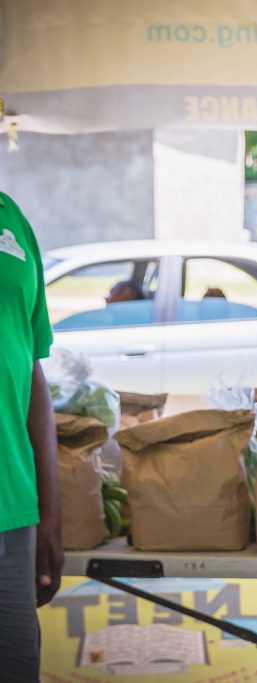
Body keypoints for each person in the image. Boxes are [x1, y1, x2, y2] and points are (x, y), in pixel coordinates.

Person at [0, 192, 62, 681]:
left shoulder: (11, 217)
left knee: (19, 667)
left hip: (12, 510)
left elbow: (31, 366)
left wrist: (50, 511)